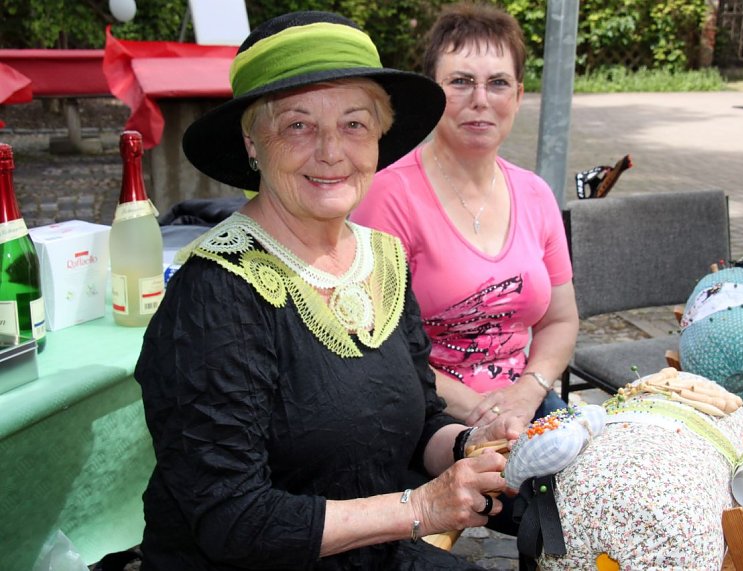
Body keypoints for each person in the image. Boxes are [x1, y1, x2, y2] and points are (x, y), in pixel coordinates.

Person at [134, 11, 524, 570]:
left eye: (355, 124)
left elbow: (419, 422)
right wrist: (421, 508)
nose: (331, 151)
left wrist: (471, 444)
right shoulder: (216, 294)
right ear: (252, 143)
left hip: (373, 554)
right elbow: (232, 519)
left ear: (379, 136)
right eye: (297, 125)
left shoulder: (383, 258)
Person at [351, 2, 579, 430]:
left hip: (525, 405)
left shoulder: (535, 194)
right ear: (432, 91)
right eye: (460, 82)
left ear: (518, 95)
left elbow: (561, 319)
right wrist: (485, 412)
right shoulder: (388, 196)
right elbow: (376, 346)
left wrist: (530, 389)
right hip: (427, 415)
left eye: (497, 83)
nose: (480, 100)